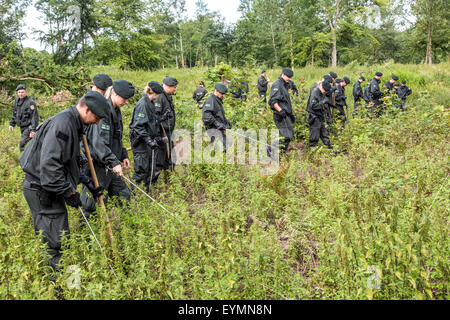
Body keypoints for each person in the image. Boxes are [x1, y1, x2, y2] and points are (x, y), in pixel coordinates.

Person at [20, 91, 109, 270]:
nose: (98, 122)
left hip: (49, 188)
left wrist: (87, 183)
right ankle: (59, 290)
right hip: (41, 190)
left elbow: (67, 164)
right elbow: (50, 167)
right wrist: (69, 192)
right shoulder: (63, 125)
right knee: (55, 243)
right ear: (86, 109)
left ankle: (65, 285)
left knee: (60, 235)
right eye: (97, 117)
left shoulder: (74, 124)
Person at [80, 80, 135, 218]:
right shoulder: (103, 111)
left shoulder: (116, 111)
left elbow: (117, 137)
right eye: (124, 98)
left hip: (110, 165)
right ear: (114, 94)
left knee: (124, 195)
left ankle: (125, 227)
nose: (126, 102)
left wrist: (123, 155)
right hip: (98, 165)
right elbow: (99, 143)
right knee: (92, 204)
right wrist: (114, 162)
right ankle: (85, 235)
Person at [129, 81, 165, 191]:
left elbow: (150, 121)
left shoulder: (150, 103)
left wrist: (161, 118)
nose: (158, 97)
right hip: (141, 143)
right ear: (153, 93)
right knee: (141, 170)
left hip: (148, 142)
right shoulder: (143, 104)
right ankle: (134, 194)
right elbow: (138, 126)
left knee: (149, 168)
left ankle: (146, 191)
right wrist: (148, 140)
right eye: (158, 94)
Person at [266, 68, 296, 158]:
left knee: (289, 135)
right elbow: (273, 101)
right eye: (288, 77)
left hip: (286, 114)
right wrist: (280, 110)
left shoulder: (284, 84)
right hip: (280, 114)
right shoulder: (277, 84)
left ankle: (281, 153)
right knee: (287, 135)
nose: (289, 79)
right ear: (282, 74)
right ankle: (270, 148)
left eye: (290, 77)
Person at [154, 76, 178, 178]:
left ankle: (168, 180)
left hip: (168, 133)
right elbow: (155, 117)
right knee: (160, 160)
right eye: (174, 87)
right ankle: (152, 182)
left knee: (171, 158)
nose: (175, 89)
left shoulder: (168, 95)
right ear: (168, 86)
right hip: (161, 134)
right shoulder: (159, 97)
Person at [9, 84, 39, 152]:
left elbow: (34, 116)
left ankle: (22, 157)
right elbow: (15, 112)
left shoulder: (30, 102)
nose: (20, 94)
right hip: (22, 126)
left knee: (22, 143)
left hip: (29, 127)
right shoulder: (17, 100)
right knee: (31, 143)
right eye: (19, 92)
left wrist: (33, 130)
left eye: (22, 92)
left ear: (25, 92)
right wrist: (11, 124)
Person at [202, 83, 231, 152]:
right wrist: (217, 124)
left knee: (226, 145)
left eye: (224, 94)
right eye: (222, 94)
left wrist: (226, 122)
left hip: (219, 128)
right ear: (216, 91)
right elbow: (206, 116)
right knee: (219, 147)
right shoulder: (210, 100)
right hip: (213, 129)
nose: (223, 95)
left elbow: (218, 114)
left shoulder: (217, 100)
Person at [306, 81, 333, 149]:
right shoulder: (315, 92)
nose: (325, 92)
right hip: (314, 116)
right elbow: (313, 106)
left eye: (326, 91)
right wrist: (323, 102)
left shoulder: (322, 92)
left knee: (324, 132)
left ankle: (329, 147)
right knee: (314, 134)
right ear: (321, 87)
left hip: (320, 115)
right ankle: (311, 149)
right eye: (324, 90)